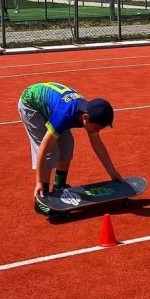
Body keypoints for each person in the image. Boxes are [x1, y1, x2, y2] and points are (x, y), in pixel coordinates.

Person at [17, 82, 122, 215]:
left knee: (67, 144)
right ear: (85, 118)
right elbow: (43, 147)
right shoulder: (65, 115)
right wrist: (38, 182)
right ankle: (41, 198)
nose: (97, 131)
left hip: (52, 107)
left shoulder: (87, 113)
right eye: (96, 128)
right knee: (51, 151)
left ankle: (59, 186)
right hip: (31, 105)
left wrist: (113, 173)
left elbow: (98, 146)